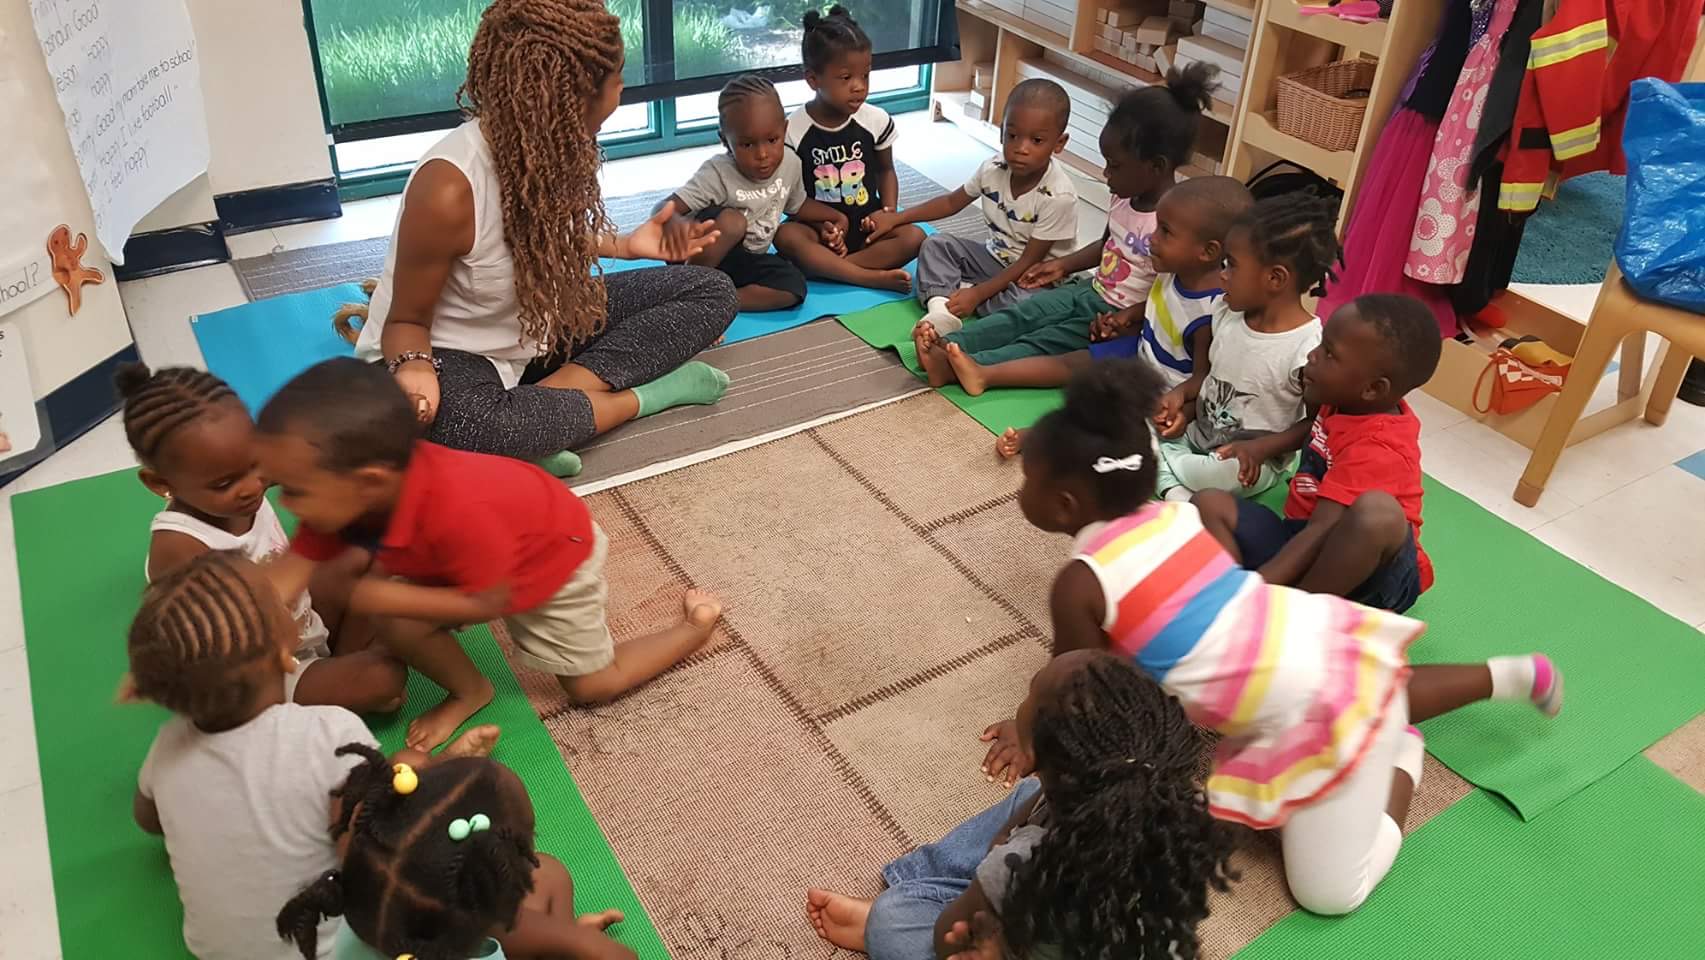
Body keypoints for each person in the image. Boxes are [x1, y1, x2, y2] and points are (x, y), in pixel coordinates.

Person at [979, 360, 1563, 915]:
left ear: (1064, 504)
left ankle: (1399, 762)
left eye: (1028, 479)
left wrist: (1028, 730)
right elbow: (1192, 589)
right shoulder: (1175, 516)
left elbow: (1073, 688)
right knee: (1374, 682)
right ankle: (1505, 676)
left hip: (1300, 707)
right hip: (1295, 627)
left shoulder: (1080, 584)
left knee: (1330, 893)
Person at [352, 0, 737, 480]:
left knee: (711, 291)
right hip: (453, 355)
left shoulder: (547, 147)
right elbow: (406, 321)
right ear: (568, 100)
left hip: (536, 328)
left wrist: (625, 246)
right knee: (471, 423)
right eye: (616, 78)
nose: (622, 89)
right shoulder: (448, 190)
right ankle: (641, 398)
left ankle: (542, 416)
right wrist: (414, 369)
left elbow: (535, 239)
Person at [256, 359, 723, 752]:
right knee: (395, 617)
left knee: (591, 687)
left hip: (548, 562)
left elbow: (489, 602)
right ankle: (471, 691)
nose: (287, 505)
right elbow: (288, 574)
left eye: (295, 490)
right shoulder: (346, 498)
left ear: (369, 483)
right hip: (459, 560)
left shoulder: (457, 511)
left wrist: (373, 597)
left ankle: (694, 629)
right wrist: (260, 623)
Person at [126, 552, 497, 960]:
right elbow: (385, 840)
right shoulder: (328, 732)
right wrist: (438, 771)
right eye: (276, 598)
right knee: (416, 773)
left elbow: (148, 819)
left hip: (216, 952)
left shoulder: (167, 746)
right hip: (333, 948)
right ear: (285, 655)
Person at [804, 651, 1232, 960]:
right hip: (1078, 924)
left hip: (1021, 917)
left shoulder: (1019, 862)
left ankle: (895, 903)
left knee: (891, 920)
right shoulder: (1161, 818)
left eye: (1030, 694)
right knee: (1029, 799)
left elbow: (947, 938)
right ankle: (922, 884)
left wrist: (1000, 855)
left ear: (1043, 753)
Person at [118, 363, 407, 714]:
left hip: (304, 615)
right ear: (161, 483)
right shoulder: (180, 547)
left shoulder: (238, 482)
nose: (254, 485)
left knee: (371, 552)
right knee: (383, 678)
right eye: (225, 484)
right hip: (269, 669)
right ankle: (349, 676)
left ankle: (345, 666)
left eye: (256, 463)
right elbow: (213, 659)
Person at [908, 65, 1218, 382]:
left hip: (1117, 317)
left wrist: (1127, 319)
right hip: (1088, 290)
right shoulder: (1125, 198)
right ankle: (948, 344)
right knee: (1023, 315)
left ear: (1155, 167)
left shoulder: (1173, 225)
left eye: (1114, 166)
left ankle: (963, 365)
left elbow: (1170, 293)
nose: (1105, 175)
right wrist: (1062, 265)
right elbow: (1107, 246)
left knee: (1043, 341)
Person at [1193, 293, 1440, 613]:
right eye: (1321, 344)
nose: (1312, 355)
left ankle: (1287, 615)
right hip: (1304, 536)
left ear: (1372, 389)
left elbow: (1325, 529)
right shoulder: (1343, 397)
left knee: (1377, 515)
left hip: (1370, 572)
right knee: (1208, 503)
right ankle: (1242, 591)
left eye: (1329, 354)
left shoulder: (1380, 446)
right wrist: (1261, 447)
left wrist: (1260, 592)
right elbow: (1312, 428)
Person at [277, 750, 634, 960]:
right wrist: (574, 941)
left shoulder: (363, 907)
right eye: (521, 850)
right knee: (551, 874)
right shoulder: (486, 931)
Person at [1154, 193, 1338, 501]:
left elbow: (1315, 424)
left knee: (1219, 474)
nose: (1222, 274)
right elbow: (1208, 377)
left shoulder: (1307, 348)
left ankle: (1168, 476)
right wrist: (1181, 398)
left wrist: (1260, 448)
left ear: (1275, 278)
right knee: (1140, 416)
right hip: (1199, 435)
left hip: (1251, 461)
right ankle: (1178, 486)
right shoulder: (1225, 312)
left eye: (1231, 266)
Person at [865, 79, 1079, 325]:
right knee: (936, 244)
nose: (1021, 148)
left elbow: (1028, 262)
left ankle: (965, 295)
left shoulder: (1058, 197)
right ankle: (940, 309)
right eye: (1012, 135)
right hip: (994, 258)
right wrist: (897, 218)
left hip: (1035, 278)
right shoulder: (993, 168)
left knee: (1026, 306)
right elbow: (950, 203)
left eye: (1037, 141)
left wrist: (978, 294)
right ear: (1002, 131)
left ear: (1059, 143)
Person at [776, 5, 926, 289]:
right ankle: (866, 275)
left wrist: (888, 212)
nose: (859, 86)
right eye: (846, 78)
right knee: (785, 236)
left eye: (865, 75)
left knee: (915, 237)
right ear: (813, 79)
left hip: (867, 226)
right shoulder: (792, 130)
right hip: (819, 229)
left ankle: (829, 269)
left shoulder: (876, 120)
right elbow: (789, 199)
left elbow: (886, 170)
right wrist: (823, 226)